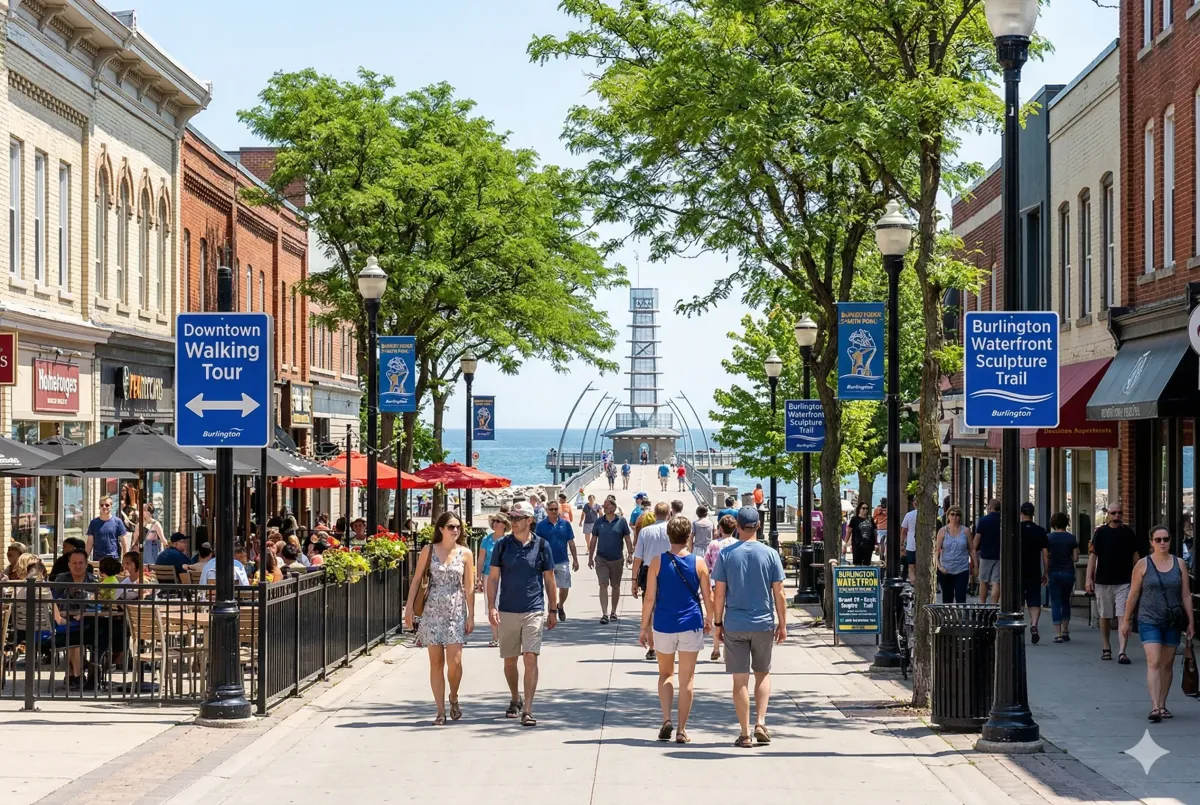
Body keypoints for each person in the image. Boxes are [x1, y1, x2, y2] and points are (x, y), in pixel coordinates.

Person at [711, 507, 787, 748]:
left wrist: (717, 623)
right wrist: (783, 624)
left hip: (735, 623)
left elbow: (719, 594)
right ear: (759, 526)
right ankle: (760, 723)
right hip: (763, 622)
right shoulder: (771, 554)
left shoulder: (726, 555)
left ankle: (744, 733)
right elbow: (780, 593)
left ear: (737, 526)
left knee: (740, 680)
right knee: (762, 674)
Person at [639, 515, 713, 744]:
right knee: (687, 679)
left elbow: (649, 597)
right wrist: (711, 618)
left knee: (665, 674)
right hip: (691, 623)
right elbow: (708, 596)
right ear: (689, 536)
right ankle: (682, 730)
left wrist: (644, 627)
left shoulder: (657, 562)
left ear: (668, 536)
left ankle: (666, 719)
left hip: (664, 624)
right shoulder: (699, 563)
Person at [486, 501, 557, 727]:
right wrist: (491, 606)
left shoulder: (542, 545)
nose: (513, 522)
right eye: (512, 518)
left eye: (517, 518)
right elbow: (493, 578)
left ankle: (528, 709)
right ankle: (515, 697)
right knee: (509, 661)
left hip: (533, 609)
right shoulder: (502, 545)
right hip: (507, 609)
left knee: (530, 656)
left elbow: (549, 579)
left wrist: (553, 609)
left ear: (529, 520)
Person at [404, 511, 475, 725]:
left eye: (458, 527)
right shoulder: (429, 550)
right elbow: (417, 580)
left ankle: (453, 695)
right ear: (441, 529)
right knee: (436, 662)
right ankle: (440, 711)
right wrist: (409, 608)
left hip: (455, 611)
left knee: (455, 662)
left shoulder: (466, 553)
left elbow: (469, 587)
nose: (455, 530)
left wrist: (471, 615)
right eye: (451, 526)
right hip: (432, 611)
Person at [1122, 525, 1195, 722]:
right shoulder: (1143, 564)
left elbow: (1186, 594)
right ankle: (1155, 707)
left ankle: (1162, 704)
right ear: (1151, 542)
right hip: (1149, 619)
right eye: (1158, 540)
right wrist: (1126, 620)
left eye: (1166, 539)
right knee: (1154, 661)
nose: (1162, 543)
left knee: (1167, 663)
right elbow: (1133, 593)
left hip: (1172, 620)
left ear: (1170, 541)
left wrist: (1191, 622)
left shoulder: (1179, 564)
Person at [1087, 503, 1140, 664]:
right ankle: (1106, 646)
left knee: (1123, 615)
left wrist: (1139, 576)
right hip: (1103, 581)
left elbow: (1135, 555)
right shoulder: (1101, 533)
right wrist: (1089, 578)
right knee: (1105, 616)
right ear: (1108, 515)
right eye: (1113, 513)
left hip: (1124, 581)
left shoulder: (1128, 533)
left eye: (1119, 513)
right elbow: (1093, 556)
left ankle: (1122, 651)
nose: (1117, 516)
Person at [51, 550, 96, 691]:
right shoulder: (62, 578)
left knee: (75, 635)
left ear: (87, 564)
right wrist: (67, 594)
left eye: (81, 563)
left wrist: (84, 612)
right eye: (74, 563)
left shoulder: (93, 581)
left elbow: (97, 603)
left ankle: (73, 674)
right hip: (64, 621)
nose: (78, 566)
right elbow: (54, 600)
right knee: (73, 636)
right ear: (69, 565)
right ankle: (77, 674)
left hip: (88, 622)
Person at [633, 502, 672, 660]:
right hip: (669, 569)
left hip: (648, 570)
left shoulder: (645, 531)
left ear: (655, 514)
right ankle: (667, 644)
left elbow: (638, 557)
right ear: (669, 514)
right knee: (668, 607)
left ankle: (652, 647)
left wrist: (634, 579)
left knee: (648, 608)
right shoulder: (673, 529)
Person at [590, 496, 633, 624]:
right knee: (603, 584)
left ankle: (613, 612)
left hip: (617, 559)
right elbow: (593, 540)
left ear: (614, 507)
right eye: (604, 505)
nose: (605, 507)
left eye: (608, 505)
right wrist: (590, 557)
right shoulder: (599, 522)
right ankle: (604, 614)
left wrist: (630, 554)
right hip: (601, 558)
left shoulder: (621, 521)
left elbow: (627, 538)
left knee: (615, 586)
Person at [535, 498, 578, 622]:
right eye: (551, 509)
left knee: (564, 588)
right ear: (547, 511)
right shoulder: (541, 526)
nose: (554, 511)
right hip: (547, 562)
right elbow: (536, 544)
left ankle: (560, 605)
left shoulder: (565, 524)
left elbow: (571, 542)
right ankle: (551, 612)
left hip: (562, 560)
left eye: (556, 509)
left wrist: (575, 559)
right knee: (550, 588)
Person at [704, 515, 740, 661]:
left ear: (720, 529)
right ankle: (727, 648)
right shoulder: (738, 544)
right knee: (730, 616)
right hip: (734, 584)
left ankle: (715, 648)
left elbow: (706, 564)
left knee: (717, 616)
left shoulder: (713, 544)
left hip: (716, 583)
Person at [1045, 512, 1078, 643]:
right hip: (1068, 572)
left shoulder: (1049, 538)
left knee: (1055, 602)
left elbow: (1045, 556)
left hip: (1054, 572)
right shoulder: (1071, 538)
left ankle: (1058, 634)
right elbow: (1075, 558)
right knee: (1065, 601)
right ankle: (1065, 630)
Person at [1019, 502, 1048, 644]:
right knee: (1034, 600)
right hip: (1034, 570)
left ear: (1021, 514)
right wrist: (1046, 572)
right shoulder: (1040, 531)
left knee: (1018, 600)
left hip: (1018, 570)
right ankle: (1034, 624)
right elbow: (1045, 554)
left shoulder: (1016, 530)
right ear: (1033, 514)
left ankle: (1018, 626)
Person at [478, 514, 509, 647]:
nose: (496, 523)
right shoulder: (487, 539)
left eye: (499, 521)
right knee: (491, 604)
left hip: (505, 576)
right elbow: (481, 559)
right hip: (488, 575)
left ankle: (505, 636)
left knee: (503, 605)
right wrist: (478, 577)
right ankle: (495, 637)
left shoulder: (508, 540)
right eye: (494, 521)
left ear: (504, 524)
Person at [935, 506, 972, 603]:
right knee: (947, 599)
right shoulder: (942, 531)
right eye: (952, 514)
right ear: (948, 516)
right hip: (946, 570)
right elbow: (936, 550)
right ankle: (948, 614)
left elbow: (971, 549)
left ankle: (960, 613)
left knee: (961, 597)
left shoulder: (966, 531)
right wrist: (939, 566)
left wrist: (975, 566)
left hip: (962, 569)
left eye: (957, 515)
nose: (955, 517)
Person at [973, 499, 1002, 603]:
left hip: (986, 555)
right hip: (999, 555)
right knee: (996, 581)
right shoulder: (1003, 521)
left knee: (983, 581)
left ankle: (982, 603)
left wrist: (972, 550)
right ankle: (994, 604)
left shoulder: (983, 520)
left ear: (989, 507)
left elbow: (977, 539)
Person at [86, 496, 128, 562]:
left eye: (107, 505)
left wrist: (125, 559)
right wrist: (85, 558)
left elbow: (124, 541)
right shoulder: (93, 523)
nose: (104, 507)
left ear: (111, 506)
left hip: (113, 558)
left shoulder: (118, 522)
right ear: (99, 507)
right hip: (98, 559)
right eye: (102, 505)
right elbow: (89, 542)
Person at [848, 502, 877, 566]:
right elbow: (849, 532)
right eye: (863, 508)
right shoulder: (854, 519)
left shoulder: (870, 519)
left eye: (867, 508)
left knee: (867, 564)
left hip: (868, 545)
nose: (865, 510)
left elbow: (875, 532)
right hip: (857, 545)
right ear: (859, 509)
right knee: (857, 564)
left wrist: (875, 543)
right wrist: (845, 543)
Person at [899, 497, 919, 583]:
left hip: (911, 544)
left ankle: (913, 583)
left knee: (911, 566)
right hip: (922, 545)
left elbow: (903, 531)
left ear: (914, 504)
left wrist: (901, 544)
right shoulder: (927, 515)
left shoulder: (909, 515)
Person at [872, 498, 889, 564]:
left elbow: (874, 518)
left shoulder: (877, 509)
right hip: (888, 528)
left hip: (880, 528)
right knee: (887, 543)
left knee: (881, 543)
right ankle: (886, 556)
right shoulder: (889, 509)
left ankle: (881, 557)